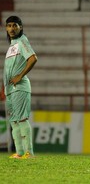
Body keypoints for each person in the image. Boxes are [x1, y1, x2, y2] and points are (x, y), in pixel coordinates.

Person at [3, 16, 37, 159]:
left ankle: (29, 152)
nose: (11, 28)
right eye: (9, 26)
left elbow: (33, 58)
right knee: (14, 121)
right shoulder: (13, 45)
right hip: (10, 89)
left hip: (20, 87)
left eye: (15, 26)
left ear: (20, 27)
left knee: (22, 119)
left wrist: (20, 76)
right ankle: (19, 152)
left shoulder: (22, 41)